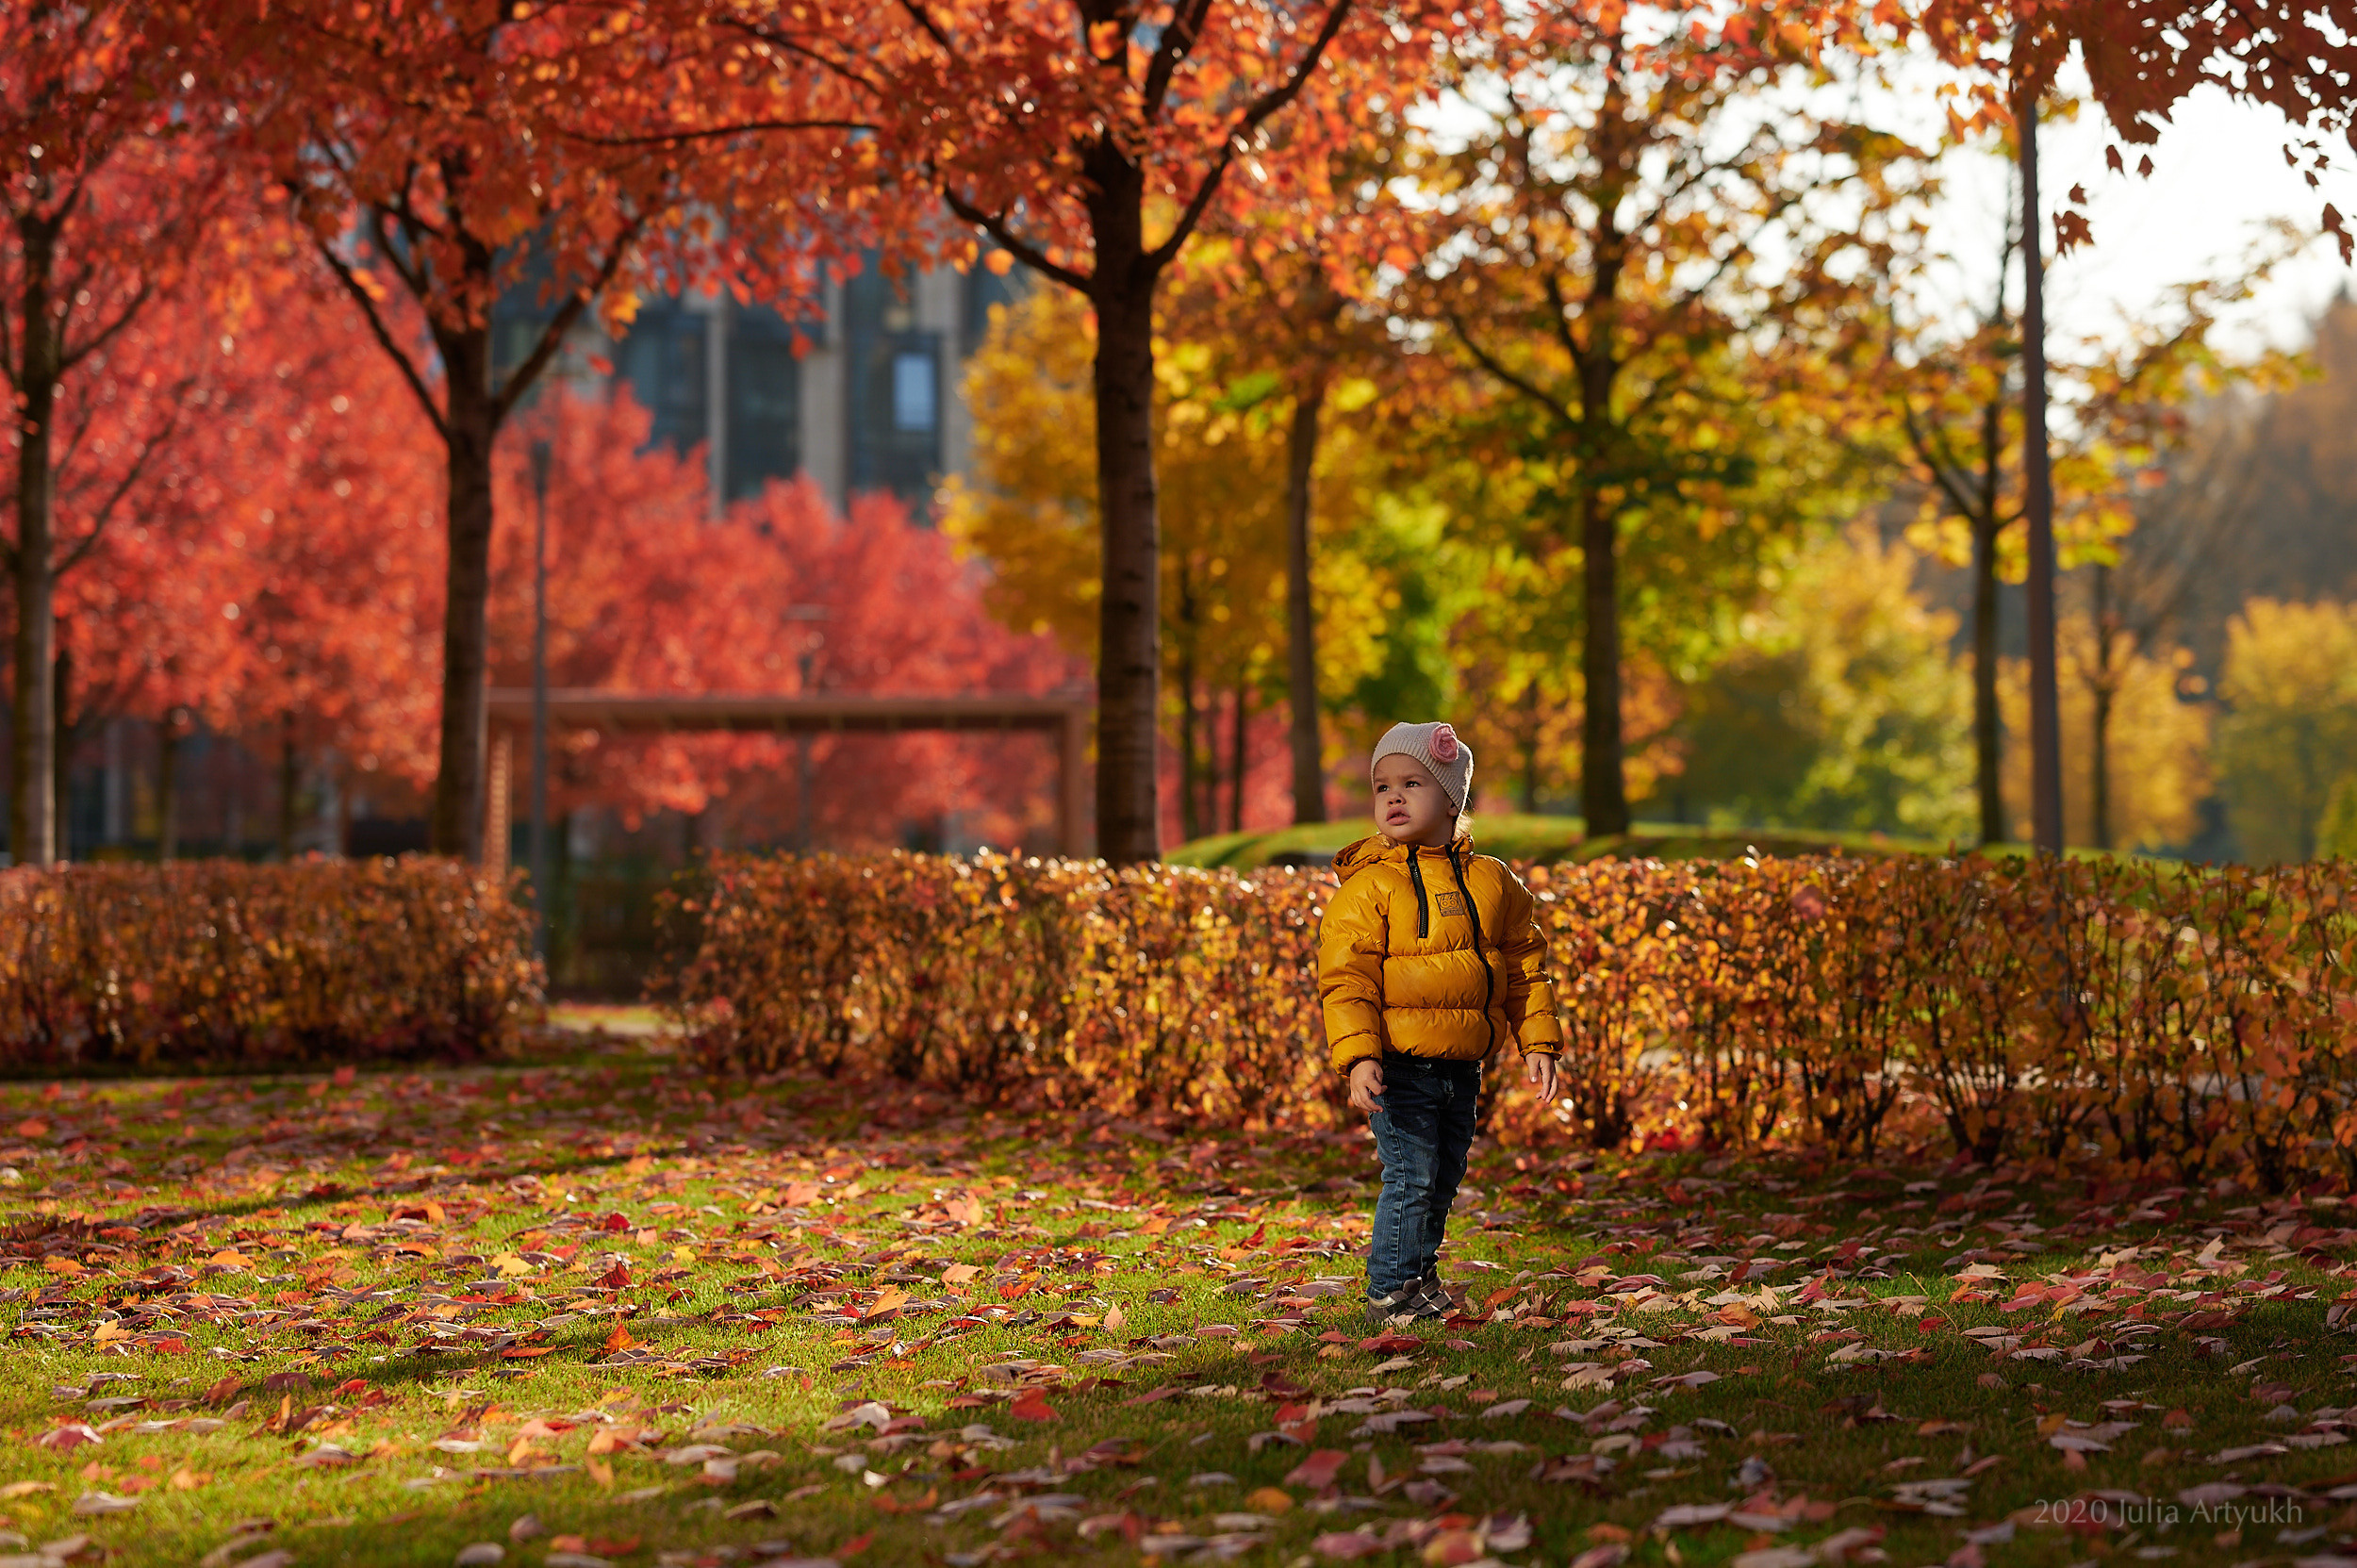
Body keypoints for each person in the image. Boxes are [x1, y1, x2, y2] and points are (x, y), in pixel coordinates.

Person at [1317, 720, 1563, 1324]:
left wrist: (1538, 1039)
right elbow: (1346, 979)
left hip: (1461, 1067)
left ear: (1453, 799)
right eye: (1382, 787)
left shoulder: (1493, 881)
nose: (1393, 798)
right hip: (1399, 1062)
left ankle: (1418, 1276)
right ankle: (1391, 1288)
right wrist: (1359, 1055)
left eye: (1412, 784)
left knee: (1444, 1173)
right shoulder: (1368, 887)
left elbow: (1525, 964)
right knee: (1412, 1173)